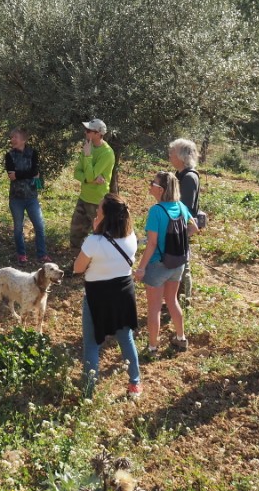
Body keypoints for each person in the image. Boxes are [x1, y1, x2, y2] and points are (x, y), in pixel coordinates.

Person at [73, 194, 141, 399]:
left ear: (106, 217)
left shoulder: (93, 241)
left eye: (99, 211)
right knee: (126, 338)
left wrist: (95, 232)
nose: (96, 213)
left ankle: (88, 392)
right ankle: (135, 383)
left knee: (92, 344)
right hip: (123, 293)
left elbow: (78, 268)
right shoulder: (131, 237)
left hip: (97, 296)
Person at [133, 171, 199, 357]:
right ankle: (181, 338)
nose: (150, 185)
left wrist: (141, 267)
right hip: (177, 263)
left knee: (153, 308)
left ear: (160, 190)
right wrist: (176, 239)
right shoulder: (180, 206)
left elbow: (152, 244)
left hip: (158, 265)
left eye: (152, 183)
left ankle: (153, 348)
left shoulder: (156, 211)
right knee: (172, 301)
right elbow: (194, 227)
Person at [5, 127, 50, 264]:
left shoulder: (33, 153)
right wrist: (27, 174)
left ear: (23, 140)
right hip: (16, 198)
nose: (13, 140)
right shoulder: (9, 155)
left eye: (16, 137)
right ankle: (21, 254)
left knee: (39, 225)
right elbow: (11, 176)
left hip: (31, 197)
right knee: (18, 228)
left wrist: (19, 174)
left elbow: (35, 171)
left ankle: (42, 254)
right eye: (12, 137)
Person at [69, 118, 116, 250]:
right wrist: (89, 179)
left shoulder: (107, 153)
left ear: (98, 133)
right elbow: (76, 173)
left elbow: (90, 175)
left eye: (89, 130)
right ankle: (77, 264)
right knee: (75, 235)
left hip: (97, 202)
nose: (86, 132)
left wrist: (88, 156)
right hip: (83, 198)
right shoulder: (88, 146)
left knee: (99, 236)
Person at [168, 138, 201, 306]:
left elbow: (184, 208)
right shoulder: (180, 174)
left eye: (172, 152)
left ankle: (183, 300)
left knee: (182, 264)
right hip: (176, 226)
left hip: (180, 227)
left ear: (181, 156)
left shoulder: (188, 178)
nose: (170, 155)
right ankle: (176, 298)